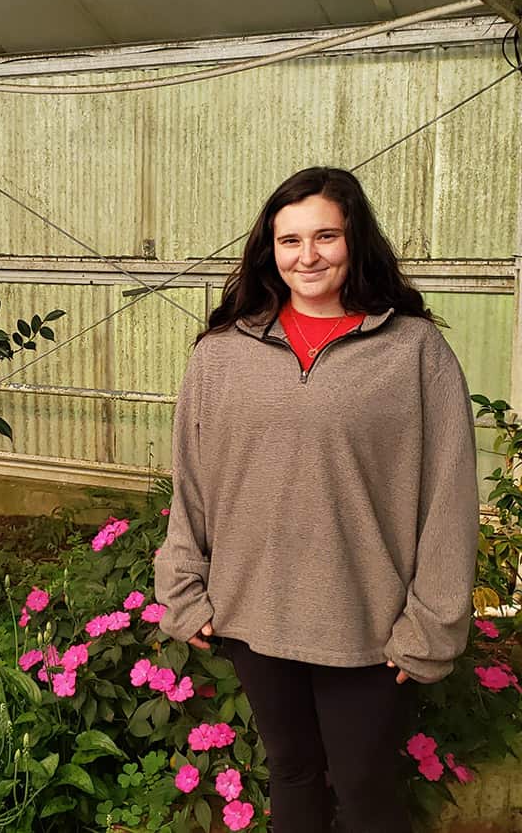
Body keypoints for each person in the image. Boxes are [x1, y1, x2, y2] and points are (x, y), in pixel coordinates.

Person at [154, 166, 479, 832]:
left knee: (365, 792)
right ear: (268, 250)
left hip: (366, 621)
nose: (307, 256)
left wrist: (430, 623)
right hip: (253, 615)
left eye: (325, 236)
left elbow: (450, 495)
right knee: (293, 774)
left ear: (355, 240)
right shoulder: (221, 353)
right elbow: (192, 480)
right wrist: (184, 586)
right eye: (289, 240)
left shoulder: (415, 351)